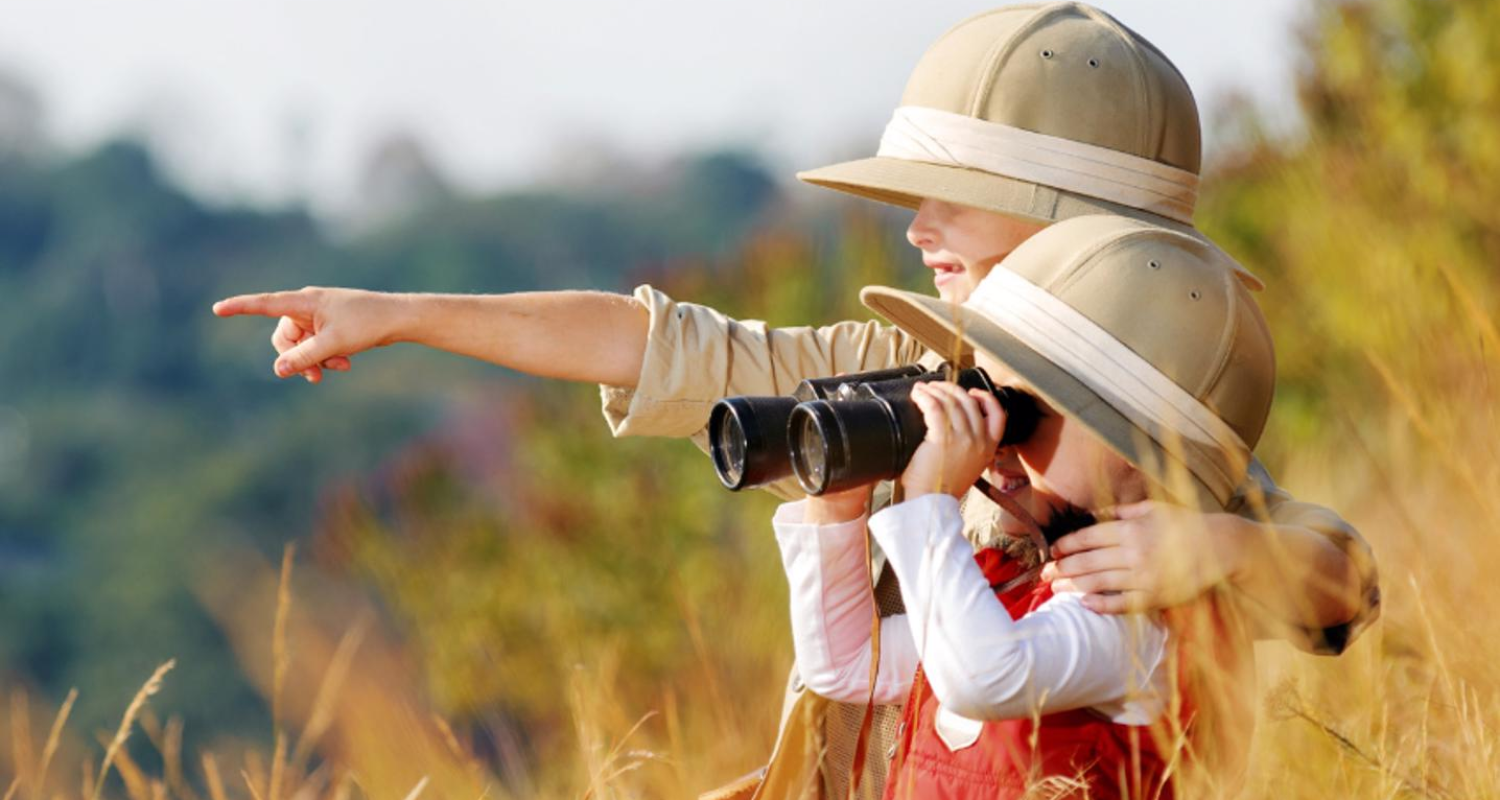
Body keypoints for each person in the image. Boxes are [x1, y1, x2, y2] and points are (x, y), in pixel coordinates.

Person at [213, 3, 1379, 796]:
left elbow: (1342, 577)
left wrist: (1219, 545)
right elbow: (663, 345)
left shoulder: (1147, 418)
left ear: (1074, 217)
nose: (917, 229)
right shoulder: (907, 360)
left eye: (954, 201)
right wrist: (403, 311)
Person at [777, 213, 1270, 798]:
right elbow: (847, 664)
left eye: (1022, 413)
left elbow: (983, 676)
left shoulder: (1133, 615)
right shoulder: (1016, 588)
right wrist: (836, 509)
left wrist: (928, 502)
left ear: (1139, 449)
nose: (998, 441)